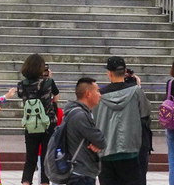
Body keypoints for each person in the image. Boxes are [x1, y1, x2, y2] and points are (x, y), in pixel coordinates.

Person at [94, 56, 150, 185]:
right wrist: (138, 87)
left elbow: (94, 119)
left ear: (109, 73)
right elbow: (145, 112)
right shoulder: (136, 92)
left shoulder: (99, 95)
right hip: (129, 150)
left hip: (105, 150)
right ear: (125, 71)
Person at [17, 53, 60, 185]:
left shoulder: (21, 85)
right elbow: (56, 97)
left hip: (30, 124)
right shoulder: (48, 82)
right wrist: (48, 79)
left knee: (30, 159)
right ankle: (44, 183)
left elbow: (21, 95)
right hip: (48, 123)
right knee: (45, 158)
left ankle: (26, 182)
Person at [60, 78, 107, 185]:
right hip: (80, 174)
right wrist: (98, 143)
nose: (100, 94)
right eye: (98, 91)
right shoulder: (80, 116)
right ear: (88, 94)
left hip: (79, 171)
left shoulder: (75, 112)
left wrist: (96, 144)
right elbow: (101, 140)